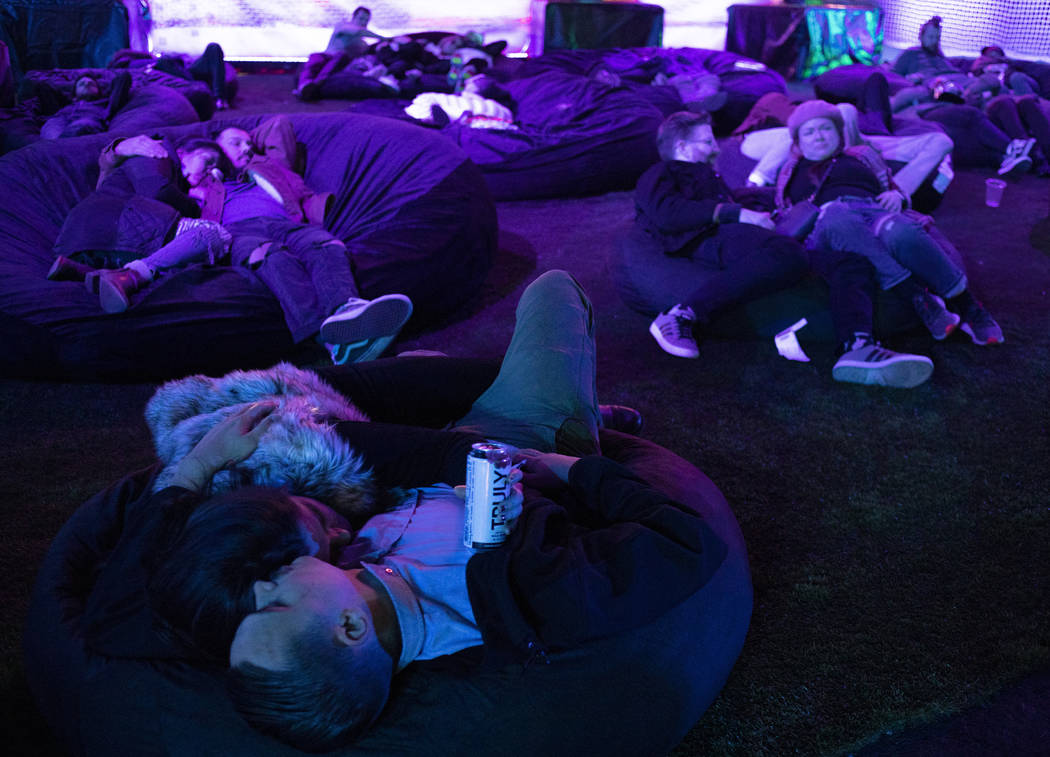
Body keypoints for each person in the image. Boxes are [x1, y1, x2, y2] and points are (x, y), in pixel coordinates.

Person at [142, 271, 726, 751]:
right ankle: (588, 415)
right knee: (552, 289)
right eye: (277, 604)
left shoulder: (343, 568)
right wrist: (566, 467)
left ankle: (417, 364)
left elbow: (161, 566)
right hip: (531, 440)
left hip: (440, 445)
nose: (263, 586)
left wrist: (196, 469)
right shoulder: (516, 591)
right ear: (350, 629)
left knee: (413, 371)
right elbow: (688, 540)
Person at [100, 117, 414, 362]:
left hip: (286, 222)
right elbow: (138, 164)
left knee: (326, 244)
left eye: (248, 143)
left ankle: (347, 311)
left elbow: (279, 125)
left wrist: (246, 145)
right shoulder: (198, 182)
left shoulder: (269, 167)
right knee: (270, 256)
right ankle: (332, 341)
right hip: (239, 232)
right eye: (236, 143)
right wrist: (118, 146)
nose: (246, 148)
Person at [777, 100, 1003, 347]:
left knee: (900, 231)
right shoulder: (791, 169)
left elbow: (891, 186)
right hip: (825, 224)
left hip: (871, 211)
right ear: (798, 142)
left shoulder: (861, 155)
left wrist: (897, 196)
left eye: (826, 128)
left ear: (838, 133)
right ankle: (915, 294)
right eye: (809, 131)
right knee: (837, 213)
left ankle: (966, 305)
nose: (819, 136)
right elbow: (786, 212)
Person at [634, 111, 809, 359]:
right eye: (707, 142)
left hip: (729, 233)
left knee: (842, 261)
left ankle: (858, 343)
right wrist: (733, 213)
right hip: (704, 238)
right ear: (682, 148)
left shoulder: (706, 175)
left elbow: (730, 199)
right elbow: (667, 213)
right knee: (787, 253)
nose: (716, 148)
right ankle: (683, 314)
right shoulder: (661, 173)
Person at [46, 134, 232, 313]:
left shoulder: (170, 177)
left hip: (84, 241)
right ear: (182, 152)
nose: (210, 172)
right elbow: (157, 192)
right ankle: (131, 276)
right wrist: (194, 200)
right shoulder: (155, 153)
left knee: (181, 251)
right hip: (114, 224)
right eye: (208, 162)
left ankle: (83, 272)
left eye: (216, 171)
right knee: (215, 233)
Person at [296, 7, 385, 99]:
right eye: (361, 18)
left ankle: (313, 87)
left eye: (366, 20)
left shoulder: (361, 42)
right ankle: (303, 87)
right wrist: (384, 38)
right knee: (315, 58)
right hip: (326, 57)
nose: (363, 22)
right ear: (353, 17)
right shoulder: (342, 26)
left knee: (341, 57)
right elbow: (357, 31)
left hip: (339, 63)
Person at [39, 71, 132, 140]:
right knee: (51, 133)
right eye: (81, 84)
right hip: (59, 119)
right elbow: (44, 87)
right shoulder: (65, 104)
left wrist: (104, 90)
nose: (87, 84)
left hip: (88, 119)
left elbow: (123, 77)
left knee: (81, 128)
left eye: (91, 84)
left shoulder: (105, 103)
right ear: (74, 93)